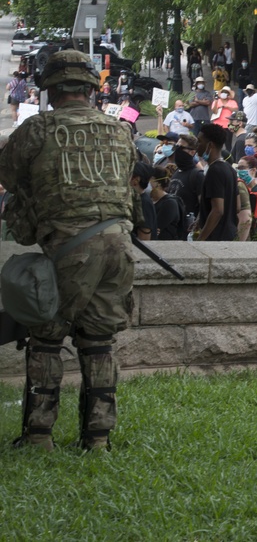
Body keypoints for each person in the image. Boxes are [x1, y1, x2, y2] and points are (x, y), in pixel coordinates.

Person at [0, 50, 138, 451]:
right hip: (120, 246)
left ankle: (39, 435)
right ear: (92, 90)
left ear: (51, 89)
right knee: (98, 341)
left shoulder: (38, 129)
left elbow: (6, 173)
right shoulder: (120, 130)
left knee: (45, 336)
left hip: (68, 248)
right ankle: (97, 438)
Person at [195, 123, 238, 241]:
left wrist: (201, 239)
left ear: (210, 145)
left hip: (216, 239)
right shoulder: (230, 169)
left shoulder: (214, 171)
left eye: (199, 141)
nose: (197, 145)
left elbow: (218, 210)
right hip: (229, 235)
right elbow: (238, 206)